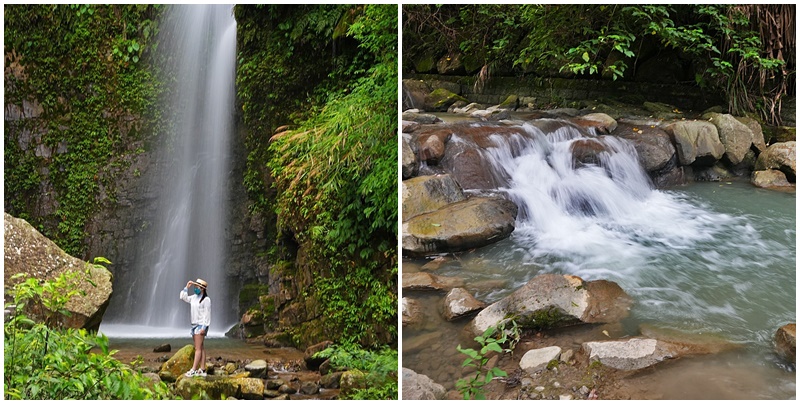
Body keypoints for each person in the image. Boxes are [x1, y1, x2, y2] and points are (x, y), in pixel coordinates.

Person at [179, 278, 211, 377]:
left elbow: (207, 314)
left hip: (201, 325)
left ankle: (193, 369)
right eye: (195, 287)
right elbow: (183, 298)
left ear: (202, 289)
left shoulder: (206, 300)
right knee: (201, 347)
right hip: (194, 325)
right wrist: (186, 287)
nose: (196, 288)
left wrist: (204, 328)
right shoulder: (194, 297)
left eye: (197, 287)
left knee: (197, 348)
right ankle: (202, 369)